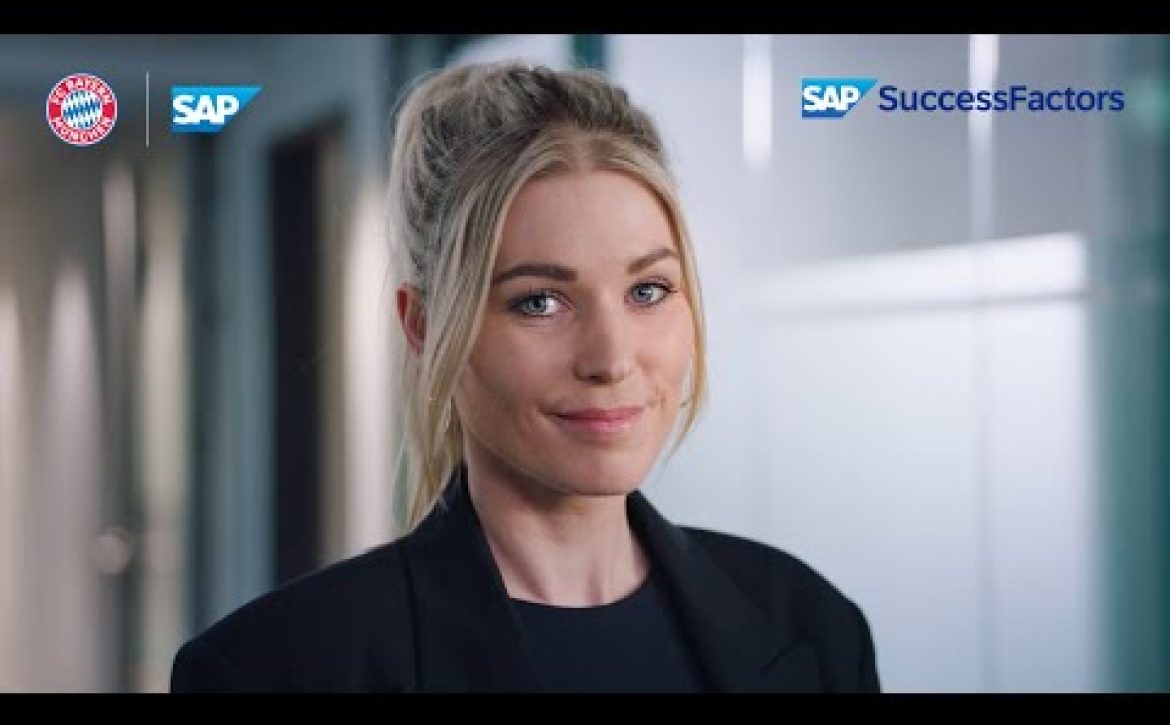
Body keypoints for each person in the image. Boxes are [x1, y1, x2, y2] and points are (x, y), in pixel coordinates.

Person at [170, 60, 881, 693]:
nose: (610, 359)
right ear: (424, 325)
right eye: (540, 301)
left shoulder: (811, 625)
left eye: (648, 290)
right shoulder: (272, 669)